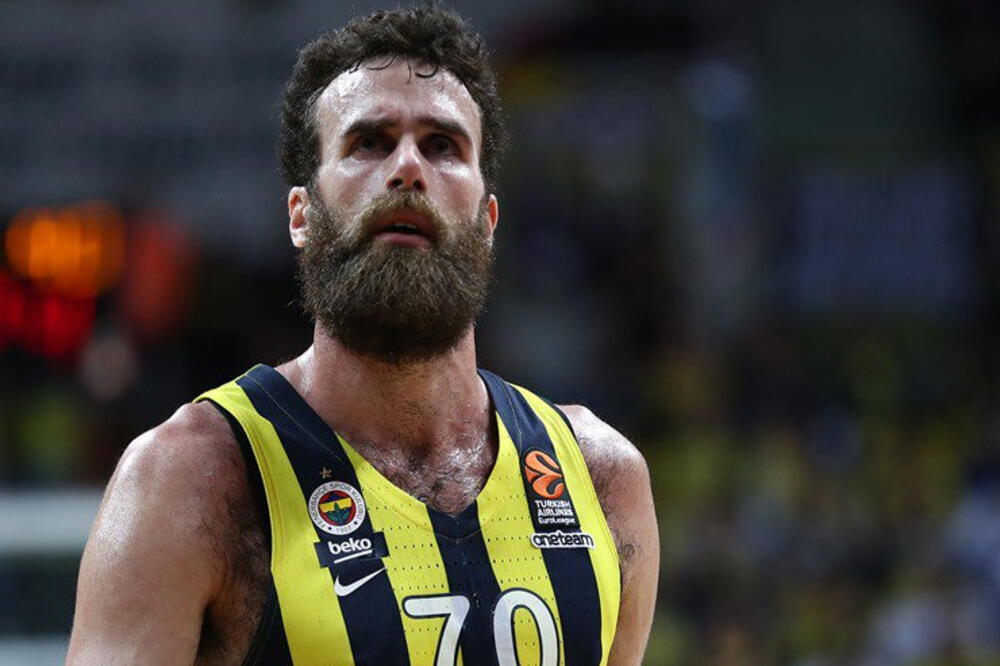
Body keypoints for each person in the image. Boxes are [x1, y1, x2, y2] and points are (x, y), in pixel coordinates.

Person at [67, 5, 658, 665]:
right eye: (369, 142)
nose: (408, 168)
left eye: (443, 146)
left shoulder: (601, 475)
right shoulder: (192, 479)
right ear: (302, 215)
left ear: (489, 220)